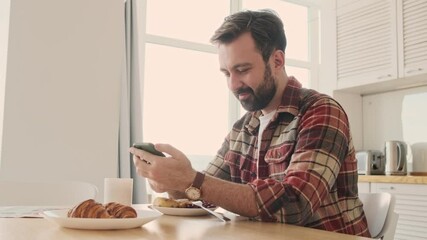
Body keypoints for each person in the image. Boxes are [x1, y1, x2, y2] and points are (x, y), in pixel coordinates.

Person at [129, 9, 370, 237]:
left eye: (242, 69)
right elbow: (205, 192)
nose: (233, 84)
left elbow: (294, 205)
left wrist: (191, 180)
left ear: (277, 61)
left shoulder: (321, 111)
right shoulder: (243, 128)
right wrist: (170, 180)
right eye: (226, 73)